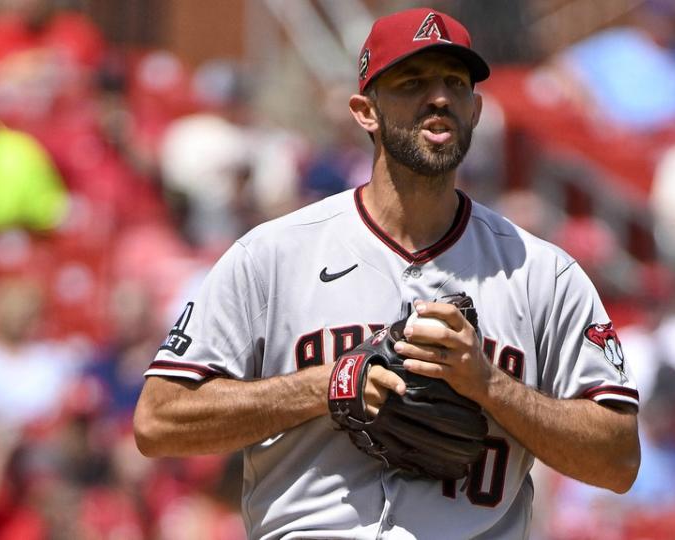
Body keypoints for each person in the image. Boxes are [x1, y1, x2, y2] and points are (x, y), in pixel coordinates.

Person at [133, 8, 640, 539]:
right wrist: (327, 384)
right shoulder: (273, 255)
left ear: (476, 109)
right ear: (365, 111)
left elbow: (618, 460)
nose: (439, 97)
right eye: (412, 82)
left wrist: (490, 385)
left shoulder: (544, 274)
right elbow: (159, 420)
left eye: (454, 83)